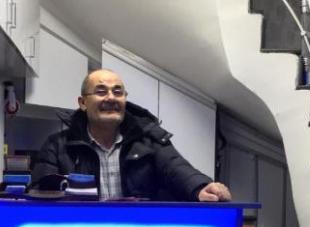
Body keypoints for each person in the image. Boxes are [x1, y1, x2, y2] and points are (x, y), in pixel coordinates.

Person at [31, 69, 232, 202]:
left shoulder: (149, 140)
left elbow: (177, 169)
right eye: (101, 91)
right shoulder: (58, 145)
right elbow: (40, 193)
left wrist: (201, 187)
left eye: (118, 92)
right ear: (83, 103)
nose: (111, 97)